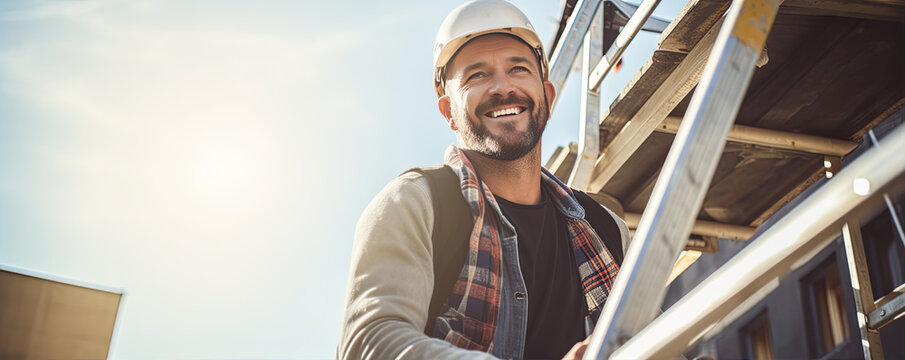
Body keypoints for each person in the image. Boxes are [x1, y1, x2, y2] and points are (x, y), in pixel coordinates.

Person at [338, 0, 629, 359]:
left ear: (548, 98)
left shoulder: (605, 228)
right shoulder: (414, 205)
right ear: (449, 113)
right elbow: (371, 344)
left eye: (519, 69)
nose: (502, 87)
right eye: (477, 75)